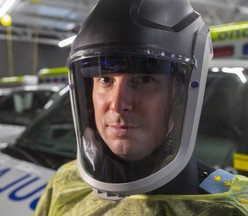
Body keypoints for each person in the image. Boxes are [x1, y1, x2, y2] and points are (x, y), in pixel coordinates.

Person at [35, 0, 248, 215]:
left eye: (144, 79)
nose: (118, 106)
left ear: (180, 94)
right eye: (106, 80)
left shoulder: (230, 209)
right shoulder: (65, 185)